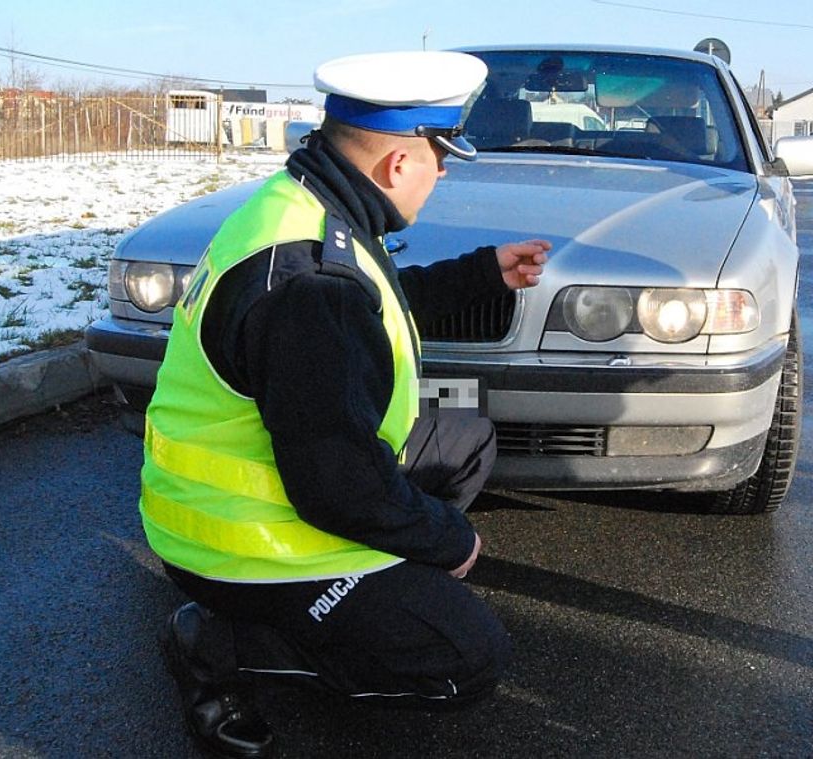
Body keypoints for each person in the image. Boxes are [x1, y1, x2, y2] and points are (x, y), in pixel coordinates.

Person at [139, 50, 550, 759]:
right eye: (441, 154)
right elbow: (339, 486)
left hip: (271, 485)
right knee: (468, 655)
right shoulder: (310, 283)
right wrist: (450, 542)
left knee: (467, 437)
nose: (444, 172)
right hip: (241, 543)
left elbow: (375, 305)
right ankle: (218, 642)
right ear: (397, 165)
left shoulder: (305, 204)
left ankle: (369, 594)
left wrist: (483, 273)